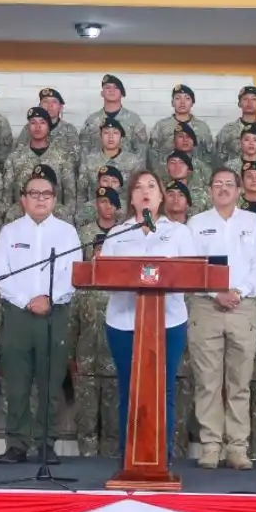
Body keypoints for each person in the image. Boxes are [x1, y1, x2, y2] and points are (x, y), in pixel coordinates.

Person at [104, 170, 200, 451]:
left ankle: (161, 458)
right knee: (128, 390)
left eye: (151, 186)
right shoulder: (117, 234)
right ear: (131, 198)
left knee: (164, 390)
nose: (145, 191)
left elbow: (191, 275)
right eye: (138, 187)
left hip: (168, 322)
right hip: (123, 322)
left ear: (161, 196)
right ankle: (128, 458)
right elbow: (105, 277)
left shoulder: (179, 233)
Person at [0, 166, 80, 463]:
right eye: (33, 193)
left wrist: (48, 299)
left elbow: (73, 274)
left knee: (50, 383)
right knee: (17, 383)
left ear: (54, 199)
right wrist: (28, 300)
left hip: (55, 313)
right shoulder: (10, 231)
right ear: (23, 200)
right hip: (18, 314)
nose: (40, 199)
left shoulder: (67, 233)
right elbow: (0, 273)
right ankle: (17, 443)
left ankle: (46, 443)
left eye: (46, 194)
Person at [187, 166, 256, 470]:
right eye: (217, 184)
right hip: (206, 306)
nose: (223, 189)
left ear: (238, 191)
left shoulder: (253, 222)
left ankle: (237, 447)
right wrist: (215, 293)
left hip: (243, 306)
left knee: (239, 382)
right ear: (209, 190)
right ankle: (210, 445)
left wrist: (238, 291)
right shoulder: (197, 223)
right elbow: (194, 267)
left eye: (229, 184)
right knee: (207, 381)